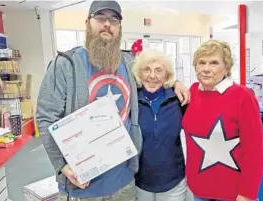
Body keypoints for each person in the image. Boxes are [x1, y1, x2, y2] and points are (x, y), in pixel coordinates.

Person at [36, 1, 189, 200]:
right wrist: (62, 165)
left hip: (124, 181)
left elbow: (153, 75)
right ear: (87, 23)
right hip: (82, 187)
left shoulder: (128, 63)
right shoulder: (66, 64)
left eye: (113, 20)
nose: (107, 24)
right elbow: (46, 118)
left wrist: (174, 82)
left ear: (119, 28)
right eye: (100, 18)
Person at [182, 40, 263, 201]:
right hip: (198, 188)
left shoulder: (243, 96)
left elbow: (254, 149)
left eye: (214, 63)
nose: (206, 69)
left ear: (226, 67)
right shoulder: (192, 92)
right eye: (201, 63)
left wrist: (247, 193)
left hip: (231, 192)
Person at [131, 50, 187, 201]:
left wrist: (177, 83)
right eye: (146, 69)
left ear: (167, 75)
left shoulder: (179, 100)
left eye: (158, 70)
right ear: (139, 73)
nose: (152, 76)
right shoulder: (131, 100)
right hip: (140, 182)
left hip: (174, 181)